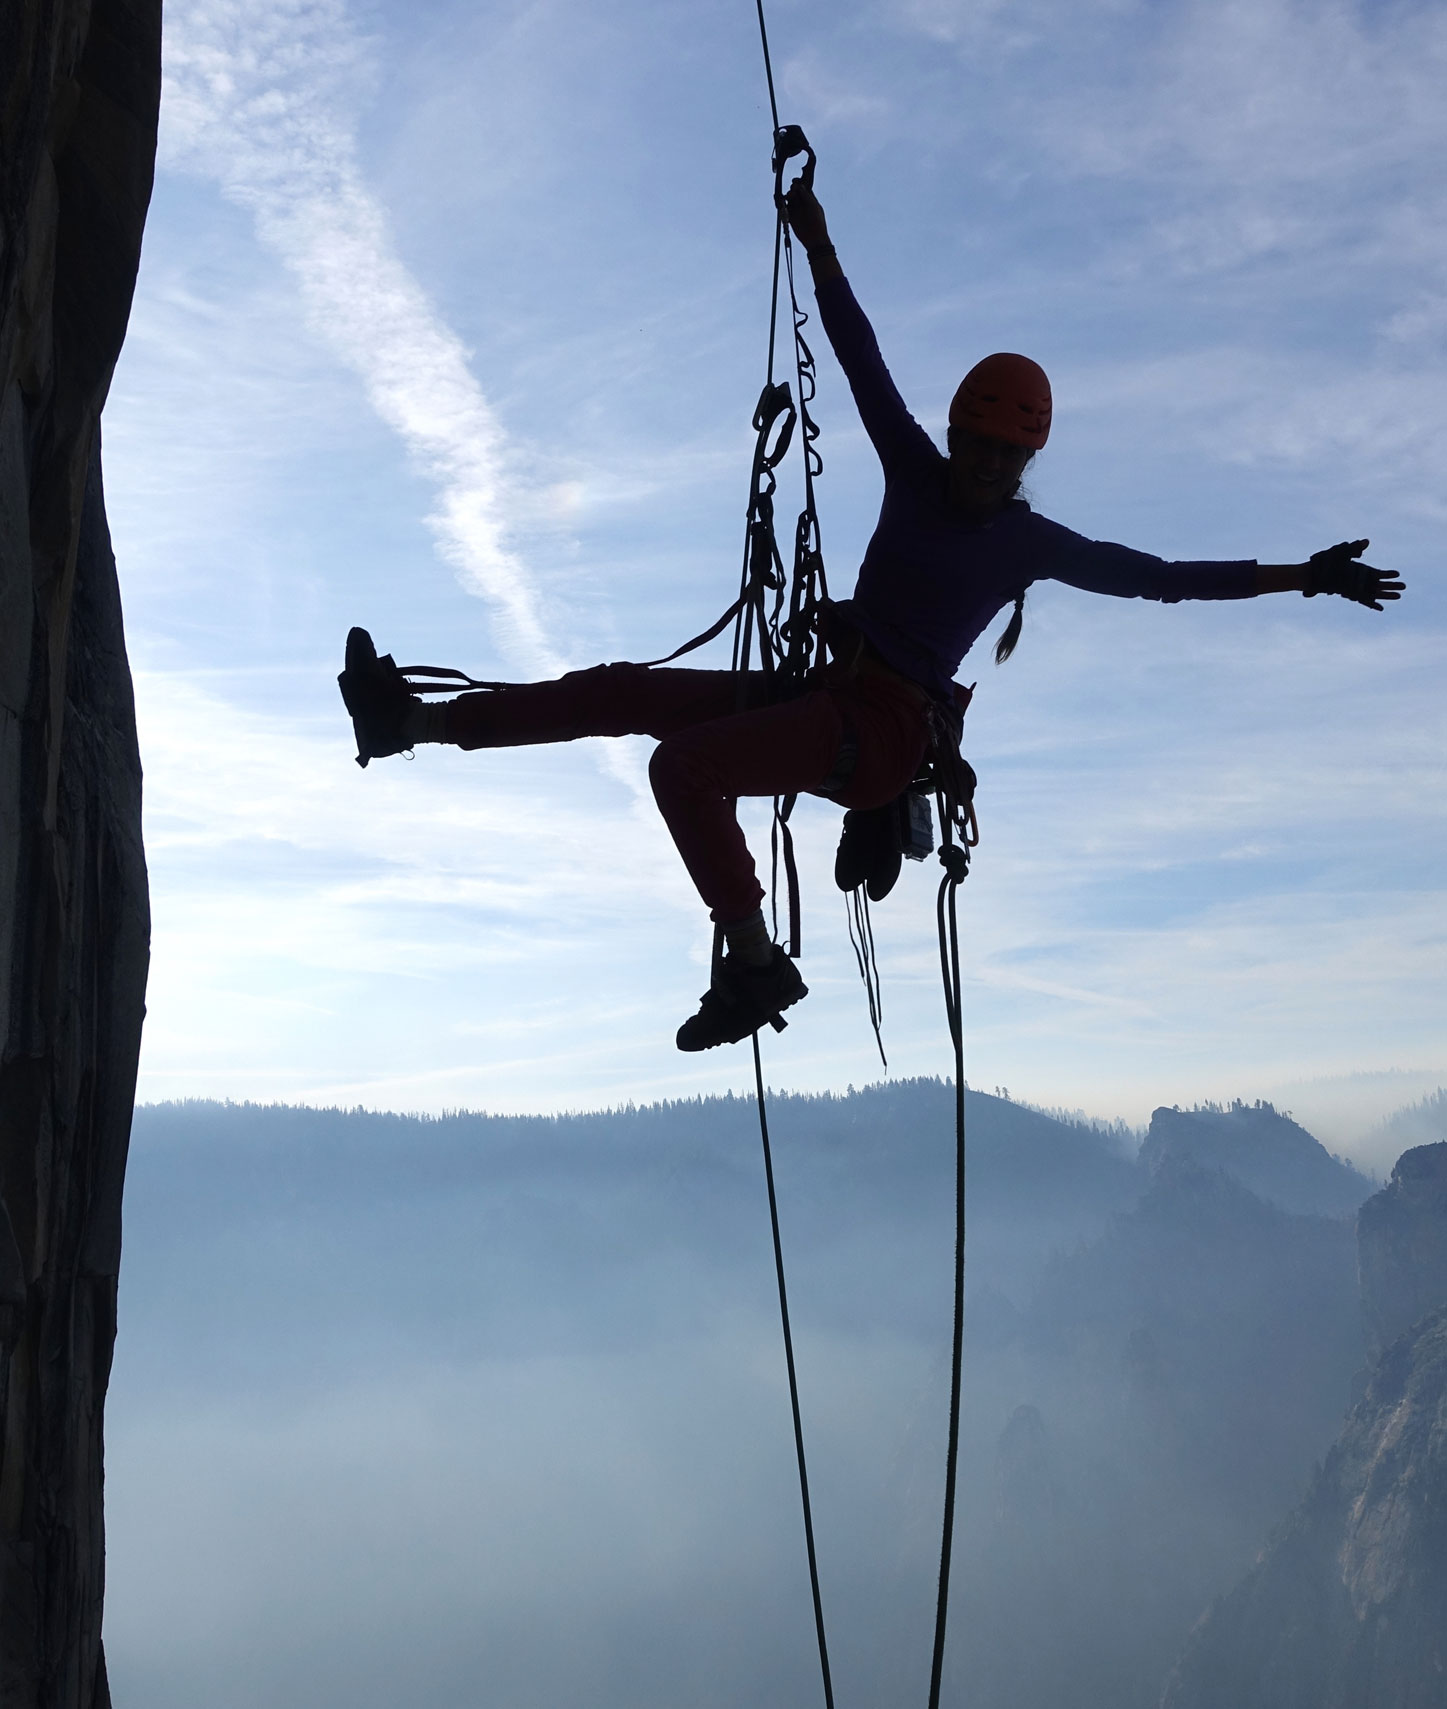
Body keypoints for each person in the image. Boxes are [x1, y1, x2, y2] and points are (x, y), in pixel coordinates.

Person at [338, 175, 1404, 1054]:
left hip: (881, 733)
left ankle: (753, 965)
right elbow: (859, 358)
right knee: (625, 691)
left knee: (682, 767)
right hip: (831, 694)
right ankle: (416, 726)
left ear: (1027, 457)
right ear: (958, 434)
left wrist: (1303, 576)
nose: (987, 463)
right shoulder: (913, 467)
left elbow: (1161, 575)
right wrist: (819, 238)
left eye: (1006, 452)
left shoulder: (1027, 544)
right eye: (978, 443)